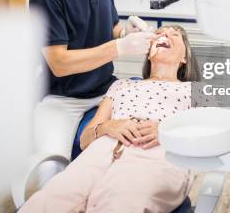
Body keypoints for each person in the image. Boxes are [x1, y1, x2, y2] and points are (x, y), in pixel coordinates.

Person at [29, 0, 156, 166]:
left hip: (105, 88)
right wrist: (119, 48)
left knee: (136, 147)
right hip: (64, 100)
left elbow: (109, 30)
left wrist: (124, 34)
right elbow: (60, 64)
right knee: (50, 169)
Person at [21, 25, 200, 213]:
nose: (164, 34)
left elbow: (212, 137)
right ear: (148, 53)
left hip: (156, 151)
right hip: (102, 150)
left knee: (121, 202)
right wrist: (108, 126)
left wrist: (169, 131)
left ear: (184, 58)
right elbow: (85, 140)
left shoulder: (195, 91)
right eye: (160, 33)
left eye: (174, 35)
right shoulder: (121, 86)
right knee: (50, 200)